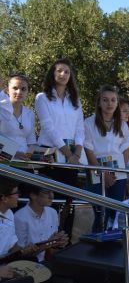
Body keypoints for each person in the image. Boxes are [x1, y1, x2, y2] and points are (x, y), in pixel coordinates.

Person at [84, 85, 129, 229]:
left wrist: (118, 172)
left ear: (117, 103)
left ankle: (114, 246)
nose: (109, 103)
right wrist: (103, 173)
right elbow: (88, 149)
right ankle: (98, 247)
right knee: (100, 212)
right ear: (99, 102)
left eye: (113, 100)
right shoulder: (88, 123)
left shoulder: (122, 125)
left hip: (118, 174)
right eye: (105, 100)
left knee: (114, 213)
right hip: (96, 171)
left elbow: (126, 148)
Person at [34, 60, 86, 191]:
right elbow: (48, 127)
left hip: (72, 155)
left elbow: (80, 127)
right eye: (59, 71)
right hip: (49, 153)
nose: (63, 74)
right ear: (52, 73)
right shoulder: (42, 98)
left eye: (67, 72)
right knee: (50, 197)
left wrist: (77, 154)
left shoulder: (75, 100)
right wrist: (69, 154)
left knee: (68, 198)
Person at [14, 185, 69, 262]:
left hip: (50, 260)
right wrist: (49, 243)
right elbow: (20, 253)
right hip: (29, 263)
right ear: (33, 195)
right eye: (46, 192)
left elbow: (53, 243)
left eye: (52, 191)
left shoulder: (52, 212)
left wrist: (60, 242)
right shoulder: (19, 217)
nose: (51, 196)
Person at [0, 74, 37, 160]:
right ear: (7, 90)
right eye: (15, 88)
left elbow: (31, 142)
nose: (19, 92)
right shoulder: (1, 110)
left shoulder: (30, 113)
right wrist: (14, 153)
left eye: (23, 89)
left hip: (25, 163)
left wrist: (40, 156)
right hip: (5, 163)